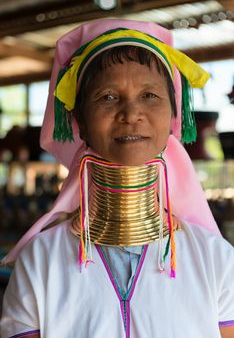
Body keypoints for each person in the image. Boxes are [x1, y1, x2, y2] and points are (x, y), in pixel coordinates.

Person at [1, 19, 234, 338]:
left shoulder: (215, 259)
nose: (131, 113)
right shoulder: (40, 262)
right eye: (108, 97)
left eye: (150, 95)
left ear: (173, 115)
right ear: (79, 120)